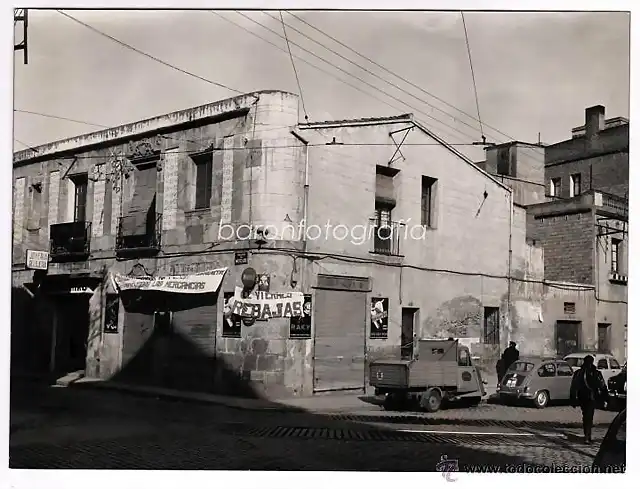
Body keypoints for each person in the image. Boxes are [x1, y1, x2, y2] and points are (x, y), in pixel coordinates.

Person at [570, 354, 609, 444]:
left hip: (582, 397)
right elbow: (602, 386)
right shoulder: (596, 373)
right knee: (589, 416)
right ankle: (587, 436)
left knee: (586, 416)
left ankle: (587, 435)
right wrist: (606, 398)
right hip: (591, 397)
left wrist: (573, 399)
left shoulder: (579, 373)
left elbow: (574, 387)